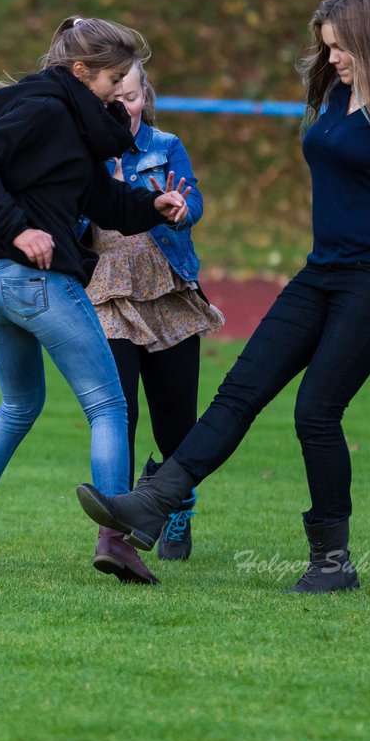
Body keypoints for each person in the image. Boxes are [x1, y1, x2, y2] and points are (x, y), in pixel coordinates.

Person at [76, 0, 370, 592]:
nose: (332, 58)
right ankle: (154, 505)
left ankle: (332, 562)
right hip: (323, 272)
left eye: (340, 47)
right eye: (327, 46)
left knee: (316, 410)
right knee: (240, 390)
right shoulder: (337, 92)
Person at [0, 16, 191, 586]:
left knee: (19, 406)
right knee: (109, 406)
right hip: (30, 278)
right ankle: (115, 540)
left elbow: (104, 202)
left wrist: (154, 207)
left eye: (128, 78)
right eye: (113, 77)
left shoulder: (70, 123)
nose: (123, 88)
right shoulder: (46, 109)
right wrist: (18, 228)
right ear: (80, 71)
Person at [81, 61, 224, 561]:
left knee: (176, 423)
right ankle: (115, 531)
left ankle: (176, 502)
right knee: (118, 414)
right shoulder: (84, 150)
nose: (124, 107)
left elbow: (194, 198)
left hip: (167, 290)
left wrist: (186, 211)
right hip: (107, 294)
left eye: (133, 96)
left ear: (147, 97)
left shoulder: (165, 147)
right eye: (113, 98)